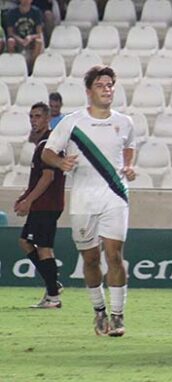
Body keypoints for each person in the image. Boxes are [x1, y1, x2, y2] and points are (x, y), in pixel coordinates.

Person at [42, 65, 136, 337]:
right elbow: (48, 153)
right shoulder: (72, 122)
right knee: (91, 259)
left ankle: (118, 316)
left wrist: (129, 166)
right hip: (83, 199)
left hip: (115, 195)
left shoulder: (125, 122)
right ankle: (99, 311)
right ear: (88, 91)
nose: (107, 89)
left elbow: (128, 147)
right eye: (100, 85)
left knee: (115, 255)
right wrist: (61, 162)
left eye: (110, 85)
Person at [15, 101, 65, 308]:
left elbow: (47, 177)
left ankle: (53, 294)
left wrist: (29, 200)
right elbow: (39, 178)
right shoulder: (44, 142)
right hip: (44, 204)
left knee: (42, 247)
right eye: (31, 116)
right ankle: (53, 285)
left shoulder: (48, 144)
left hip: (47, 204)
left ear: (47, 118)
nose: (33, 120)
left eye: (37, 116)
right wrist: (25, 195)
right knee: (27, 242)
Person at [6, 0, 44, 72]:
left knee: (39, 42)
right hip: (17, 41)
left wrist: (30, 37)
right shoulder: (12, 12)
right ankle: (13, 66)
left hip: (31, 42)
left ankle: (32, 68)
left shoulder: (36, 12)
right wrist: (20, 40)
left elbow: (39, 33)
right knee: (10, 41)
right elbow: (10, 33)